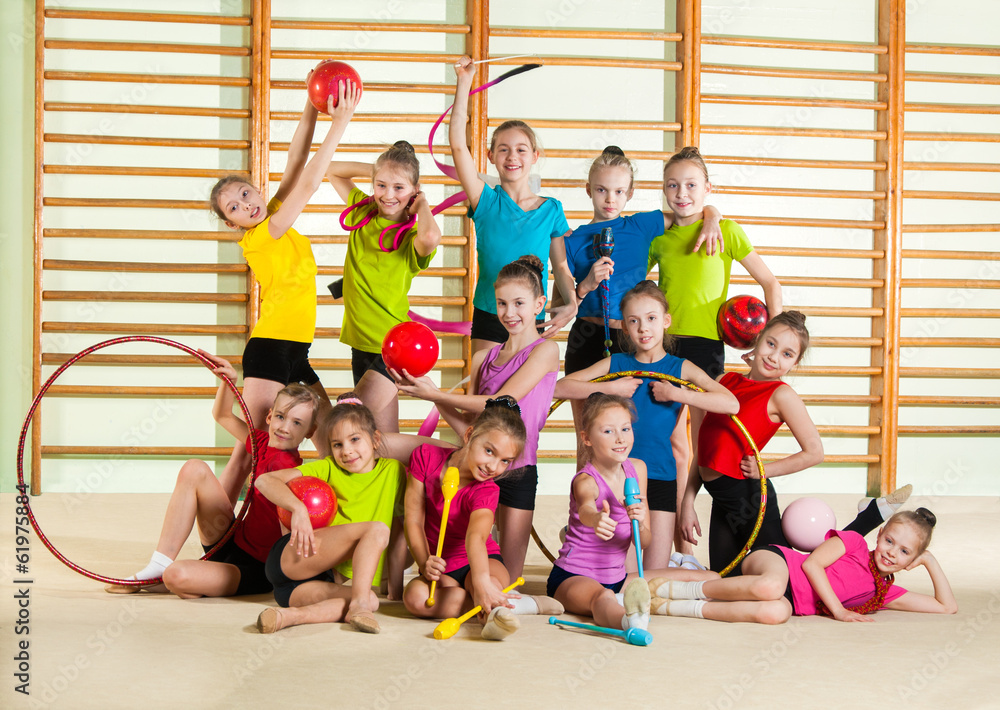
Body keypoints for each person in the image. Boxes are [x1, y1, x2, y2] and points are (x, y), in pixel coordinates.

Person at [208, 79, 361, 505]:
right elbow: (309, 184)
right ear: (231, 224)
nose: (245, 205)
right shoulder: (259, 237)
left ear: (258, 189)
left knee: (330, 431)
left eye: (245, 193)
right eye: (233, 207)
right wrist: (340, 123)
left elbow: (295, 162)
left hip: (297, 351)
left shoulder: (270, 215)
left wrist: (312, 107)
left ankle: (343, 508)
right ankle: (217, 532)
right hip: (270, 349)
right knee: (251, 448)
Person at [563, 146, 723, 532]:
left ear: (630, 193)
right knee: (590, 441)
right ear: (588, 190)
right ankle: (587, 525)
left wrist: (714, 217)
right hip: (587, 335)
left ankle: (676, 531)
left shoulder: (644, 224)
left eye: (618, 192)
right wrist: (586, 283)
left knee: (665, 436)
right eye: (601, 191)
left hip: (632, 338)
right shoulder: (571, 240)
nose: (610, 199)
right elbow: (563, 303)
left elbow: (693, 210)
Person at [680, 311, 912, 573]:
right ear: (757, 341)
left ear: (795, 363)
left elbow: (815, 452)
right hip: (721, 498)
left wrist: (764, 470)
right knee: (722, 577)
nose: (773, 357)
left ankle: (869, 517)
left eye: (787, 354)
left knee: (796, 578)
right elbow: (702, 449)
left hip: (749, 498)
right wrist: (687, 503)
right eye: (770, 344)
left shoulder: (781, 395)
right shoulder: (724, 382)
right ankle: (870, 514)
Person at [393, 256, 559, 578]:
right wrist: (430, 396)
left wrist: (437, 394)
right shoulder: (483, 357)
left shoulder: (546, 351)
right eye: (501, 303)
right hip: (471, 471)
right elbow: (472, 427)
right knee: (469, 567)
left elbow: (502, 402)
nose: (509, 313)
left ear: (539, 304)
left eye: (519, 303)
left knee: (508, 579)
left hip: (516, 471)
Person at [554, 281, 739, 570]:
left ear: (666, 321)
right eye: (634, 321)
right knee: (622, 574)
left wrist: (678, 394)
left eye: (651, 318)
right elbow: (560, 387)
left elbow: (731, 404)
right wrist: (610, 388)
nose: (643, 328)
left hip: (661, 477)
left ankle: (680, 566)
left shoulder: (681, 369)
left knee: (655, 574)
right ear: (625, 328)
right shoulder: (616, 364)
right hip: (617, 478)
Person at [105, 353, 320, 598]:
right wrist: (228, 381)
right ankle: (159, 564)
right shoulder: (261, 442)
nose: (284, 427)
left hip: (253, 570)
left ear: (309, 431)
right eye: (280, 417)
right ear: (269, 416)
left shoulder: (294, 472)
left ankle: (176, 579)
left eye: (296, 423)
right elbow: (223, 416)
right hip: (228, 540)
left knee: (177, 576)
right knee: (194, 468)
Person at [253, 393, 428, 635]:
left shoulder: (393, 472)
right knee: (376, 529)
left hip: (302, 588)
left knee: (371, 598)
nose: (347, 451)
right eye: (337, 445)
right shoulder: (327, 467)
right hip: (295, 558)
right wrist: (298, 509)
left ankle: (288, 616)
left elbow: (398, 531)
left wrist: (395, 590)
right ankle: (359, 606)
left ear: (375, 439)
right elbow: (264, 481)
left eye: (355, 439)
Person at [546, 394, 716, 634]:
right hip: (574, 578)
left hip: (619, 579)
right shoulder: (586, 481)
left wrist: (639, 522)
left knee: (709, 578)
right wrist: (595, 519)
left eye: (625, 429)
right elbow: (585, 508)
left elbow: (643, 542)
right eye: (607, 431)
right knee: (602, 597)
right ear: (587, 439)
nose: (620, 438)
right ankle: (629, 623)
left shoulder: (636, 469)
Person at [402, 397, 563, 640]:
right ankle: (512, 603)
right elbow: (413, 520)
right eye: (489, 451)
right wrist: (424, 561)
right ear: (469, 436)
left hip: (482, 561)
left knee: (486, 583)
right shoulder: (425, 457)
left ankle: (495, 607)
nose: (493, 467)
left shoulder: (487, 490)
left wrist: (481, 582)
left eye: (505, 461)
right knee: (414, 598)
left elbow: (475, 537)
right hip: (444, 567)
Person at [450, 55, 578, 352]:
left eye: (521, 149)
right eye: (503, 149)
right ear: (491, 156)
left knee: (524, 396)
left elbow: (559, 266)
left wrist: (571, 303)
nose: (512, 157)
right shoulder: (485, 200)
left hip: (529, 316)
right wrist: (463, 83)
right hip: (489, 313)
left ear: (534, 156)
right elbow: (457, 143)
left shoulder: (552, 209)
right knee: (485, 396)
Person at [648, 508, 957, 623]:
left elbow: (947, 607)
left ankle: (665, 606)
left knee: (775, 612)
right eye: (889, 541)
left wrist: (928, 560)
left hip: (788, 600)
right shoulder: (854, 542)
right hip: (779, 562)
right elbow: (812, 567)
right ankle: (672, 587)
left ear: (909, 562)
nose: (891, 553)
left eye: (904, 552)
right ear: (880, 535)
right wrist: (838, 610)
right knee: (771, 586)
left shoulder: (883, 592)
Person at [326, 141, 443, 435]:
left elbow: (431, 237)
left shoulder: (412, 235)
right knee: (381, 437)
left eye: (399, 188)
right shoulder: (361, 213)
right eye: (381, 185)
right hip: (360, 341)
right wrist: (381, 171)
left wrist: (424, 204)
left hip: (394, 345)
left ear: (414, 191)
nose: (388, 195)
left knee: (348, 422)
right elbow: (331, 170)